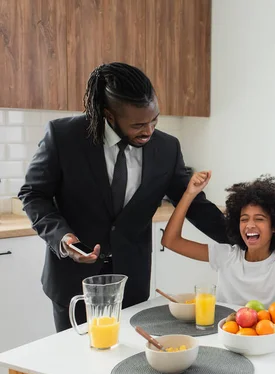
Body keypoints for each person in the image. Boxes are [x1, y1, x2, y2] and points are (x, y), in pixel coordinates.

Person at [18, 62, 229, 333]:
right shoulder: (63, 137)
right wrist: (62, 238)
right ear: (109, 114)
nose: (149, 131)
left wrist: (246, 241)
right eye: (139, 124)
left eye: (154, 120)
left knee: (131, 365)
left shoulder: (167, 148)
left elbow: (195, 205)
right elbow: (34, 194)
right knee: (76, 366)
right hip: (74, 284)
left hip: (133, 281)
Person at [161, 172, 275, 308]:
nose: (249, 225)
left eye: (259, 219)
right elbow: (171, 241)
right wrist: (189, 194)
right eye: (244, 219)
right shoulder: (226, 256)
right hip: (223, 338)